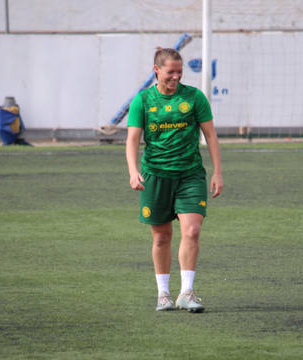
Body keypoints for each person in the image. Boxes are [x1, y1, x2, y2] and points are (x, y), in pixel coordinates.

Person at [125, 47, 223, 313]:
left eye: (180, 72)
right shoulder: (143, 100)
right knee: (162, 237)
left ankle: (187, 292)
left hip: (190, 174)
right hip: (155, 176)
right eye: (171, 72)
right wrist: (134, 171)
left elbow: (211, 136)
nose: (176, 77)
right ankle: (163, 295)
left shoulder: (194, 98)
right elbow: (133, 139)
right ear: (157, 70)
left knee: (192, 230)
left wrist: (217, 172)